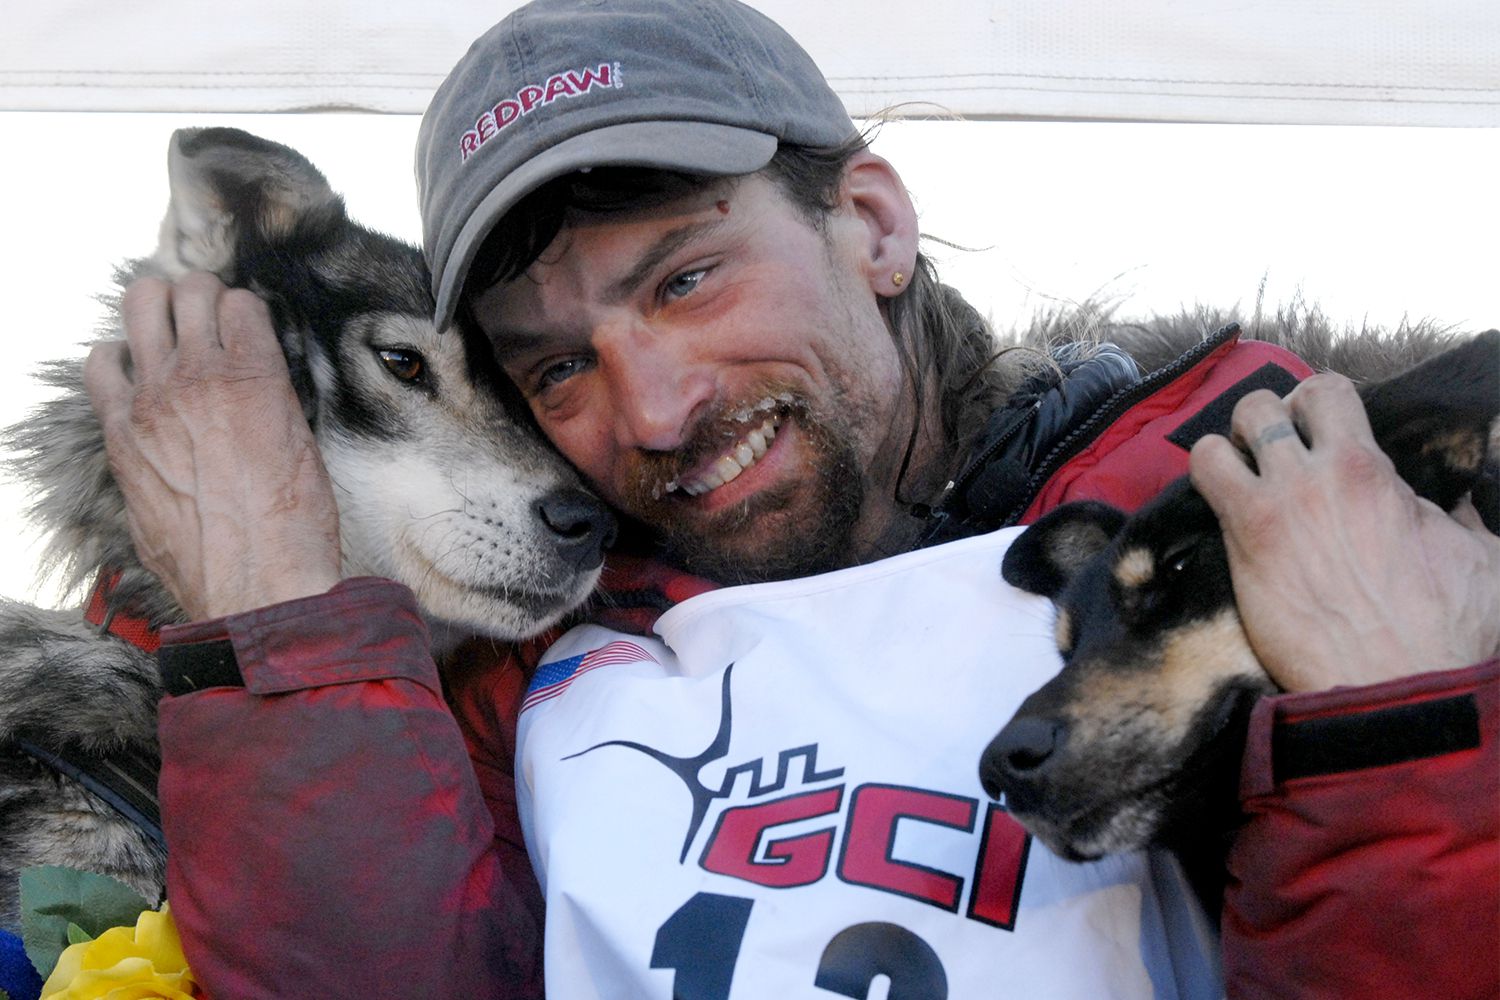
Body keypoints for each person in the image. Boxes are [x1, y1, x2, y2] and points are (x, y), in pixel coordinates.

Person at [83, 0, 1498, 996]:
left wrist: (1399, 721)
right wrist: (273, 608)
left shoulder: (1281, 509)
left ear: (873, 225)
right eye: (556, 365)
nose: (651, 409)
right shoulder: (523, 672)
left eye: (686, 279)